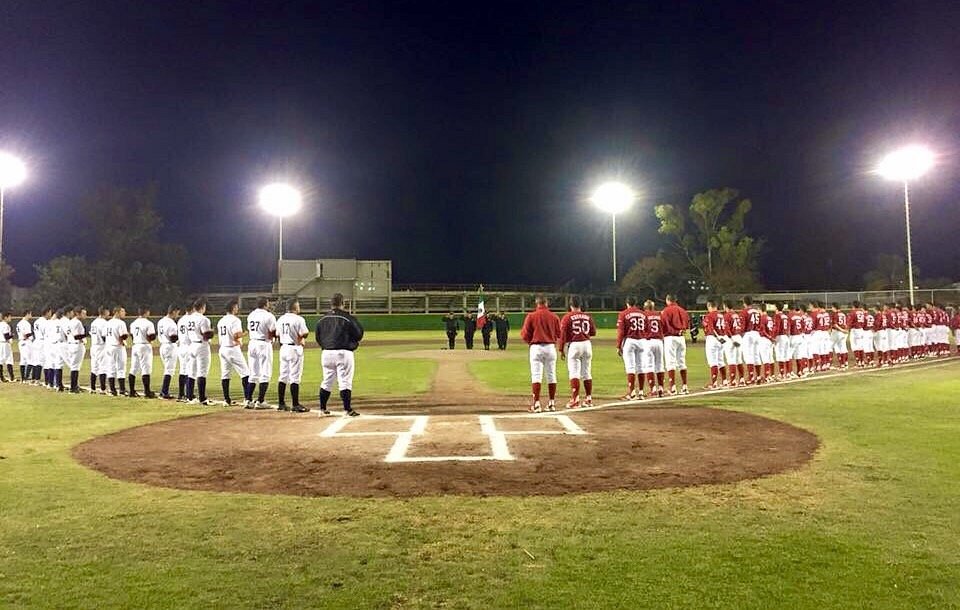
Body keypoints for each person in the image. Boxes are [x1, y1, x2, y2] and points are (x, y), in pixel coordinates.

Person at [316, 293, 364, 417]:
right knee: (345, 381)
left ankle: (322, 409)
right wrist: (353, 343)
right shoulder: (347, 317)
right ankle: (347, 409)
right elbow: (359, 334)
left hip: (326, 353)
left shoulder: (322, 318)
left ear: (331, 304)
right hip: (343, 353)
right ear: (343, 303)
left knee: (327, 381)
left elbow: (318, 337)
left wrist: (325, 346)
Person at [520, 295, 561, 412]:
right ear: (546, 303)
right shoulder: (554, 316)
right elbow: (559, 334)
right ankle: (552, 403)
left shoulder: (531, 316)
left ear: (537, 303)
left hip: (536, 347)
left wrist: (531, 343)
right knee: (551, 375)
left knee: (536, 375)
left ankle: (537, 404)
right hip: (550, 347)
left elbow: (524, 335)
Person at [559, 296, 596, 409]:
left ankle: (575, 399)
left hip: (575, 345)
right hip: (587, 344)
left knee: (574, 373)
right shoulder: (587, 316)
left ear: (570, 305)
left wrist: (561, 349)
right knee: (586, 372)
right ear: (580, 304)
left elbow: (563, 335)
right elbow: (593, 332)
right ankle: (588, 398)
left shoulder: (567, 317)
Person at [276, 298, 310, 412]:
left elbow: (278, 334)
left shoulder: (281, 319)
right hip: (294, 348)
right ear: (295, 307)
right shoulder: (299, 319)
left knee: (283, 376)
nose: (299, 308)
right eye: (298, 306)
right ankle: (295, 404)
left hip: (284, 348)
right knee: (295, 377)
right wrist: (300, 338)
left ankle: (281, 403)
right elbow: (304, 333)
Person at [217, 299, 251, 406]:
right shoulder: (235, 320)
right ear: (232, 308)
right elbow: (236, 335)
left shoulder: (221, 320)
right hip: (232, 349)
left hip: (223, 349)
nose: (237, 308)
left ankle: (226, 400)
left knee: (225, 375)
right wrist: (246, 333)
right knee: (246, 373)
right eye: (236, 306)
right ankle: (247, 399)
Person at [246, 297, 277, 409]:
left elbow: (250, 329)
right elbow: (273, 332)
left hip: (252, 343)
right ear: (266, 304)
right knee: (265, 373)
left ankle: (248, 400)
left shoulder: (251, 315)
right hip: (263, 344)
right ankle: (260, 401)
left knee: (253, 373)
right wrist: (273, 338)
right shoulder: (269, 316)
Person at [616, 296, 646, 400]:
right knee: (641, 367)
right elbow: (646, 328)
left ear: (627, 303)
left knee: (630, 368)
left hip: (630, 340)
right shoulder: (643, 313)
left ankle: (632, 392)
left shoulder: (623, 314)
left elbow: (621, 332)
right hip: (642, 341)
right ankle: (641, 392)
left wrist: (618, 346)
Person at [661, 294, 690, 395]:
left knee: (670, 362)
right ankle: (685, 386)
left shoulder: (666, 310)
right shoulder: (683, 310)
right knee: (682, 362)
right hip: (681, 338)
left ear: (668, 300)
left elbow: (665, 326)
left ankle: (673, 387)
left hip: (670, 338)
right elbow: (687, 324)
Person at [189, 298, 215, 405]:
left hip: (192, 345)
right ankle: (202, 398)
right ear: (202, 307)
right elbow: (207, 335)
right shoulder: (203, 319)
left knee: (192, 372)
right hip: (201, 345)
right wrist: (212, 331)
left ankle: (190, 396)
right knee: (202, 372)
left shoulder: (188, 318)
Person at [128, 305, 157, 398]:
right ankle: (147, 392)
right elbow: (152, 336)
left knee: (133, 368)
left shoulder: (133, 323)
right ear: (146, 312)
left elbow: (132, 335)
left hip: (135, 345)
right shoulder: (148, 323)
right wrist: (149, 339)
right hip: (144, 346)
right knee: (146, 368)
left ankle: (132, 391)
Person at [642, 300, 666, 397]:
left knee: (649, 365)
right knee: (659, 365)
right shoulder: (659, 315)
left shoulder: (643, 315)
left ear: (645, 307)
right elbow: (664, 327)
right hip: (659, 341)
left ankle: (653, 389)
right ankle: (661, 388)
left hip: (648, 341)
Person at [701, 299, 726, 389]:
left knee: (713, 362)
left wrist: (717, 337)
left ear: (710, 306)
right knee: (720, 361)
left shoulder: (710, 315)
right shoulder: (721, 315)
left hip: (713, 338)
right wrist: (722, 338)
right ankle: (724, 381)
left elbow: (711, 328)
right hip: (722, 338)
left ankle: (714, 383)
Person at [156, 305, 180, 399]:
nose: (177, 315)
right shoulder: (171, 323)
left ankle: (163, 391)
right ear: (173, 311)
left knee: (167, 370)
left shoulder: (161, 321)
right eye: (177, 312)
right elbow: (173, 338)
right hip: (170, 346)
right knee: (169, 370)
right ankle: (164, 392)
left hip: (162, 346)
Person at [61, 306, 87, 393]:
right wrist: (86, 334)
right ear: (77, 313)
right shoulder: (77, 322)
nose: (85, 315)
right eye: (83, 313)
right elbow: (77, 336)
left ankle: (74, 386)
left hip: (70, 344)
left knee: (74, 366)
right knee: (75, 367)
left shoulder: (70, 322)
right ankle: (73, 387)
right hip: (76, 345)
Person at [104, 306, 129, 396]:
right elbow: (124, 336)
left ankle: (112, 389)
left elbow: (104, 335)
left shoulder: (108, 322)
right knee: (121, 368)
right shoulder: (120, 323)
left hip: (108, 346)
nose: (124, 313)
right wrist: (124, 338)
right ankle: (122, 390)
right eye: (123, 311)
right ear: (117, 312)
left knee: (111, 368)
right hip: (117, 347)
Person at [176, 303, 196, 400]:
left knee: (182, 370)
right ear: (193, 309)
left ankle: (181, 394)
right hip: (189, 346)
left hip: (181, 347)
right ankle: (189, 394)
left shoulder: (181, 319)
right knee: (190, 371)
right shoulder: (192, 319)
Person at [89, 306, 111, 393]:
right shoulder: (104, 323)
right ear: (104, 312)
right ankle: (103, 389)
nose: (109, 313)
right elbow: (104, 336)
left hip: (94, 346)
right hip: (101, 346)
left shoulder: (94, 322)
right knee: (103, 368)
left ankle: (92, 388)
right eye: (108, 311)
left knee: (94, 368)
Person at [16, 309, 33, 383]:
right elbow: (26, 335)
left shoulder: (19, 323)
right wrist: (33, 333)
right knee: (30, 360)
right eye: (30, 314)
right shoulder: (26, 323)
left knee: (23, 361)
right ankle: (26, 377)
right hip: (26, 342)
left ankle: (23, 378)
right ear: (27, 314)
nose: (31, 315)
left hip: (21, 342)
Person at [0, 312, 13, 382]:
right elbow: (6, 337)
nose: (10, 318)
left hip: (1, 343)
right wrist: (12, 335)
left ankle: (2, 377)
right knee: (9, 360)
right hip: (4, 344)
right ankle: (11, 377)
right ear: (5, 317)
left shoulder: (0, 324)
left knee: (1, 360)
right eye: (9, 317)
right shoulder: (5, 325)